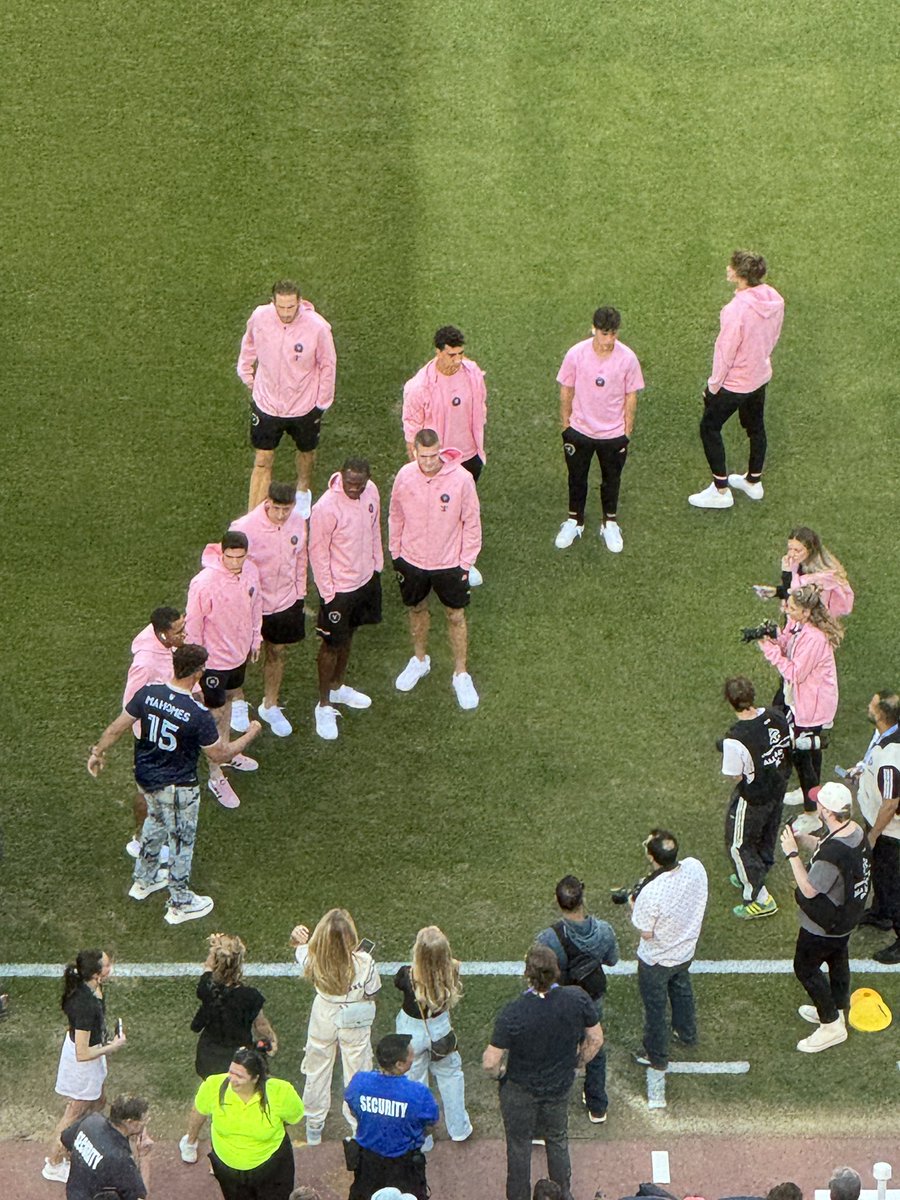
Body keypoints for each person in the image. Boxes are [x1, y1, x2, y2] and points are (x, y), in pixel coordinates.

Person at [87, 644, 262, 923]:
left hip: (146, 776)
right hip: (178, 785)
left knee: (154, 823)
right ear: (197, 672)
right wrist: (252, 732)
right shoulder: (197, 713)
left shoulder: (149, 693)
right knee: (182, 841)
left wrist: (97, 752)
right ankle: (180, 901)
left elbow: (117, 726)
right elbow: (220, 754)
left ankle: (144, 880)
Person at [483, 944, 603, 1200]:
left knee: (518, 1148)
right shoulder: (577, 999)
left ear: (528, 975)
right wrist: (578, 1062)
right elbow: (595, 1039)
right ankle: (563, 1194)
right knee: (557, 1140)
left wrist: (500, 1075)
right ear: (556, 971)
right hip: (558, 1085)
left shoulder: (513, 1012)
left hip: (519, 1089)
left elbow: (490, 1061)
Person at [389, 428, 481, 710]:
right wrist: (396, 552)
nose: (428, 462)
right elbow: (395, 514)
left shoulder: (462, 479)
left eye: (432, 456)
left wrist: (466, 562)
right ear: (414, 452)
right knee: (416, 610)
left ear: (440, 451)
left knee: (455, 615)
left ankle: (461, 673)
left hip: (450, 564)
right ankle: (419, 660)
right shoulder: (405, 476)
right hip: (412, 560)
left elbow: (472, 522)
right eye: (423, 456)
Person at [689, 250, 784, 508]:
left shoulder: (735, 311)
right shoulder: (774, 298)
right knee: (756, 427)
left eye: (731, 266)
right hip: (760, 375)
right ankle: (753, 482)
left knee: (709, 427)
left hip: (736, 383)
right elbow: (774, 336)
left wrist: (713, 387)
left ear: (740, 276)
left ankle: (720, 491)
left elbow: (725, 353)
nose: (727, 269)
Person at [780, 782, 870, 1053]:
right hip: (847, 917)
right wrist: (805, 840)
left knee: (805, 968)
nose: (816, 806)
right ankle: (836, 1007)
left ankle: (831, 1024)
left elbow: (809, 888)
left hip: (824, 924)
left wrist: (792, 853)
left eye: (820, 803)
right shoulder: (854, 832)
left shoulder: (833, 853)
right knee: (838, 960)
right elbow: (828, 848)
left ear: (828, 812)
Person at [237, 279, 337, 516]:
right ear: (273, 303)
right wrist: (246, 372)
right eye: (281, 307)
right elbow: (249, 342)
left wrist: (322, 403)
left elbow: (328, 364)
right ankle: (253, 516)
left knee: (306, 453)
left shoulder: (318, 327)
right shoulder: (260, 317)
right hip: (266, 404)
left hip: (304, 407)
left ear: (299, 303)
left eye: (290, 307)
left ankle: (303, 490)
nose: (285, 313)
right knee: (262, 459)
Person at [555, 306, 644, 553]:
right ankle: (575, 520)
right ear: (593, 329)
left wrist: (627, 430)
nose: (609, 340)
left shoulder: (627, 358)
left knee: (611, 480)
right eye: (604, 334)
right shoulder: (576, 354)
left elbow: (631, 395)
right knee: (576, 478)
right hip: (580, 430)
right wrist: (566, 424)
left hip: (613, 435)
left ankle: (610, 523)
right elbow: (566, 389)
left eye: (613, 334)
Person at [402, 325, 487, 585]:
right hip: (438, 462)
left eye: (461, 353)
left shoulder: (472, 373)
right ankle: (435, 558)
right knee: (440, 511)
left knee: (465, 511)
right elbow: (411, 431)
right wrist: (420, 468)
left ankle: (466, 561)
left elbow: (480, 407)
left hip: (470, 457)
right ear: (438, 352)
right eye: (452, 355)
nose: (458, 360)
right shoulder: (419, 387)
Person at [755, 584, 843, 832]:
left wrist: (768, 648)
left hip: (812, 707)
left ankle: (812, 813)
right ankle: (812, 797)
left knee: (805, 759)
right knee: (811, 757)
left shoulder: (815, 637)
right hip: (807, 702)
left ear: (806, 611)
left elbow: (794, 671)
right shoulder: (801, 625)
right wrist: (776, 636)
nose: (787, 608)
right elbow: (790, 644)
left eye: (792, 607)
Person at [185, 530, 263, 808]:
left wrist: (256, 638)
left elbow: (257, 605)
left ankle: (227, 751)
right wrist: (197, 669)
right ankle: (216, 774)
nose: (235, 563)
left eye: (240, 557)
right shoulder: (203, 583)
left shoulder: (250, 570)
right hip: (213, 663)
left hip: (238, 656)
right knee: (214, 716)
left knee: (229, 702)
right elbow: (193, 627)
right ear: (221, 553)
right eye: (230, 557)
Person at [290, 909, 381, 1144]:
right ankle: (357, 1126)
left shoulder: (312, 957)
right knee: (358, 1072)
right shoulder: (365, 961)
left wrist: (297, 939)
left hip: (324, 1014)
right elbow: (372, 992)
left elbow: (298, 949)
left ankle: (314, 1125)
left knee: (317, 1069)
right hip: (354, 1016)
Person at [308, 458, 383, 740]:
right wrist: (329, 593)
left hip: (365, 581)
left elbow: (374, 527)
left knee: (349, 635)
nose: (354, 489)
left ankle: (338, 687)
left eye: (359, 484)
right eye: (349, 483)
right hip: (339, 590)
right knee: (330, 644)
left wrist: (377, 564)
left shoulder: (371, 491)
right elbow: (318, 551)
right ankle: (324, 704)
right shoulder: (326, 507)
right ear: (341, 477)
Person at [535, 875, 619, 1123]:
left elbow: (540, 975)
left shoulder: (547, 938)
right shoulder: (604, 931)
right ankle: (597, 1105)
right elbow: (612, 960)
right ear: (583, 898)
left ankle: (550, 1107)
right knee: (595, 1045)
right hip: (591, 999)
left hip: (561, 1002)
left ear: (557, 901)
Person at [230, 481, 308, 738]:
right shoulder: (245, 528)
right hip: (252, 605)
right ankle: (238, 702)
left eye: (286, 510)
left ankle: (270, 705)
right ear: (267, 503)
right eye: (276, 509)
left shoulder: (297, 521)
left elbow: (300, 558)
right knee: (240, 654)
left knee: (277, 651)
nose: (282, 515)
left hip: (284, 602)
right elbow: (234, 569)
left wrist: (300, 593)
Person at [43, 950, 127, 1183]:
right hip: (83, 1063)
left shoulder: (92, 989)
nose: (111, 967)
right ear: (97, 974)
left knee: (98, 1101)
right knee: (75, 1112)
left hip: (91, 1055)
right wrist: (114, 1046)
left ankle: (80, 1140)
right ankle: (55, 1163)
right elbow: (82, 1053)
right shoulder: (84, 1005)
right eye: (107, 965)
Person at [630, 830, 708, 1077]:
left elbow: (646, 933)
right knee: (681, 988)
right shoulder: (696, 867)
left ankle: (657, 1056)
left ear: (652, 857)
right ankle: (686, 1033)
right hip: (685, 951)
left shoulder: (651, 893)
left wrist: (634, 903)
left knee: (655, 1008)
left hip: (657, 958)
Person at [184, 1045, 303, 1200]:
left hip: (272, 1167)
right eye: (231, 1072)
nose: (232, 1079)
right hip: (229, 1171)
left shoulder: (281, 1092)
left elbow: (293, 1117)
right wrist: (190, 1141)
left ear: (255, 1078)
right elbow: (198, 1112)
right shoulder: (213, 1086)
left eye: (239, 1076)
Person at [719, 676, 792, 919]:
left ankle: (759, 898)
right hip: (777, 788)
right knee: (767, 833)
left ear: (730, 702)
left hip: (753, 797)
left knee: (738, 845)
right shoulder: (776, 716)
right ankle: (759, 870)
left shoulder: (735, 737)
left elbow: (734, 776)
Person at [393, 926, 472, 1144]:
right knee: (451, 1077)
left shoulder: (406, 974)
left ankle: (422, 1138)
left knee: (414, 1082)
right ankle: (459, 1129)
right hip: (440, 1030)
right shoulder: (453, 970)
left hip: (411, 1031)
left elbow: (397, 983)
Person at [121, 606, 186, 859]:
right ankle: (142, 840)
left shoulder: (167, 644)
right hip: (152, 738)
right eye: (179, 631)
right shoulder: (145, 663)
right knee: (148, 793)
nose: (185, 633)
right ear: (162, 635)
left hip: (169, 733)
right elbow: (131, 705)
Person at [344, 1033, 438, 1200]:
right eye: (410, 1055)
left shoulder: (360, 1082)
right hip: (404, 1166)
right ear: (399, 1064)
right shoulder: (418, 1093)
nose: (413, 1057)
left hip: (367, 1162)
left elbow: (352, 1109)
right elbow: (431, 1122)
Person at [850, 691, 900, 961]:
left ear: (881, 714)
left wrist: (873, 835)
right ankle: (880, 914)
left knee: (893, 885)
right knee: (879, 875)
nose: (868, 706)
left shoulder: (892, 757)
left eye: (872, 703)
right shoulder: (885, 734)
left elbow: (891, 803)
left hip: (889, 832)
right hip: (879, 823)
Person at [190, 933, 278, 1078]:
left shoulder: (207, 990)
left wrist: (212, 955)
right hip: (238, 1061)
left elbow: (207, 972)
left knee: (213, 1091)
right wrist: (272, 1040)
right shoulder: (250, 996)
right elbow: (261, 1025)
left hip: (208, 1060)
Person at [60, 1094, 151, 1200]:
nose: (145, 1123)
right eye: (144, 1120)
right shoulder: (119, 1158)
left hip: (74, 1193)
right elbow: (140, 1197)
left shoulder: (92, 1121)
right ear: (129, 1122)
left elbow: (66, 1139)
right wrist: (145, 1156)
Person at [752, 527, 854, 618]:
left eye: (797, 550)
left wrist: (786, 573)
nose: (791, 554)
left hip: (812, 620)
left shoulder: (820, 578)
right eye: (790, 549)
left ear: (810, 551)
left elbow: (793, 596)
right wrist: (776, 592)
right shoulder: (800, 563)